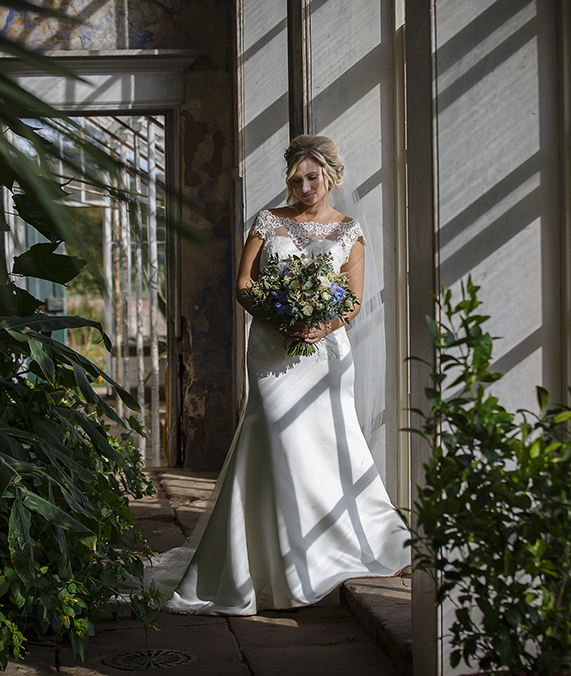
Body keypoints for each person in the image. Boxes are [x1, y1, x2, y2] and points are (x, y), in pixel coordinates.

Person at [140, 135, 409, 615]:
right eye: (296, 179)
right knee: (275, 438)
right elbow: (244, 286)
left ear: (330, 175)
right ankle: (266, 562)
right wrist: (285, 319)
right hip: (270, 348)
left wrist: (318, 324)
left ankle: (338, 544)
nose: (305, 186)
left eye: (312, 177)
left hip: (325, 352)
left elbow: (351, 300)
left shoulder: (350, 231)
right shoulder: (269, 222)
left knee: (330, 441)